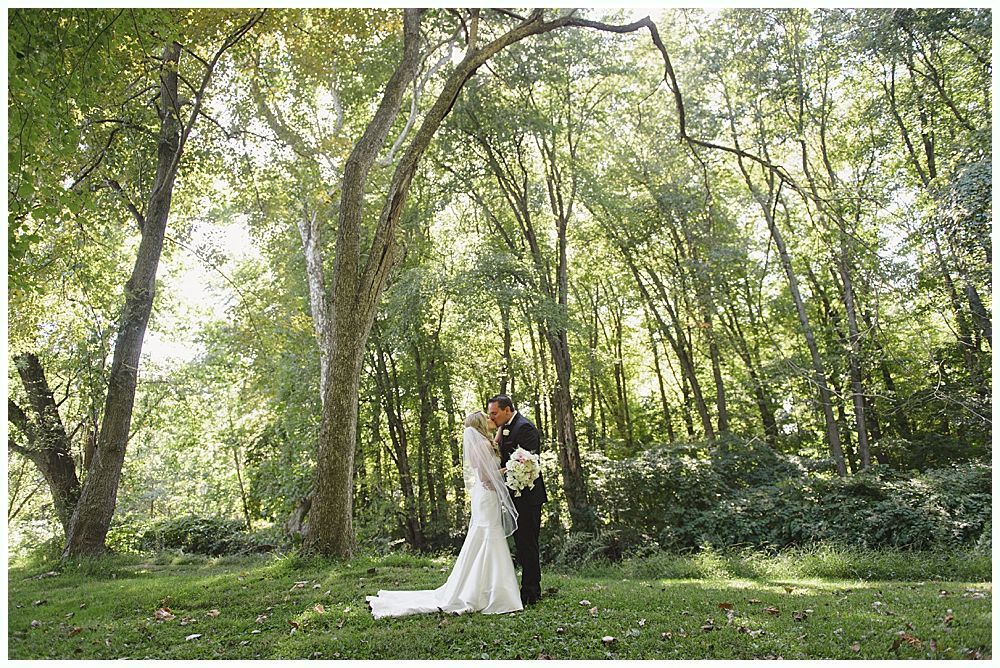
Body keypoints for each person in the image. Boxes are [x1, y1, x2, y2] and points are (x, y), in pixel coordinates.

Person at [366, 411, 522, 618]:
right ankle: (495, 593)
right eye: (487, 418)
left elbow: (486, 462)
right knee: (489, 536)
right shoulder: (484, 445)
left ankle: (482, 586)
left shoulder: (479, 444)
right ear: (480, 424)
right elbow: (486, 476)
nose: (491, 420)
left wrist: (501, 430)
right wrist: (509, 468)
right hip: (488, 496)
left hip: (482, 496)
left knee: (483, 536)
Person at [488, 394, 547, 605]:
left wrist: (499, 473)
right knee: (520, 545)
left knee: (528, 543)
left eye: (494, 413)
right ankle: (524, 588)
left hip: (528, 497)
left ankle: (532, 592)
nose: (492, 417)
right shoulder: (503, 428)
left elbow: (527, 462)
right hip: (513, 495)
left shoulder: (525, 428)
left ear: (507, 409)